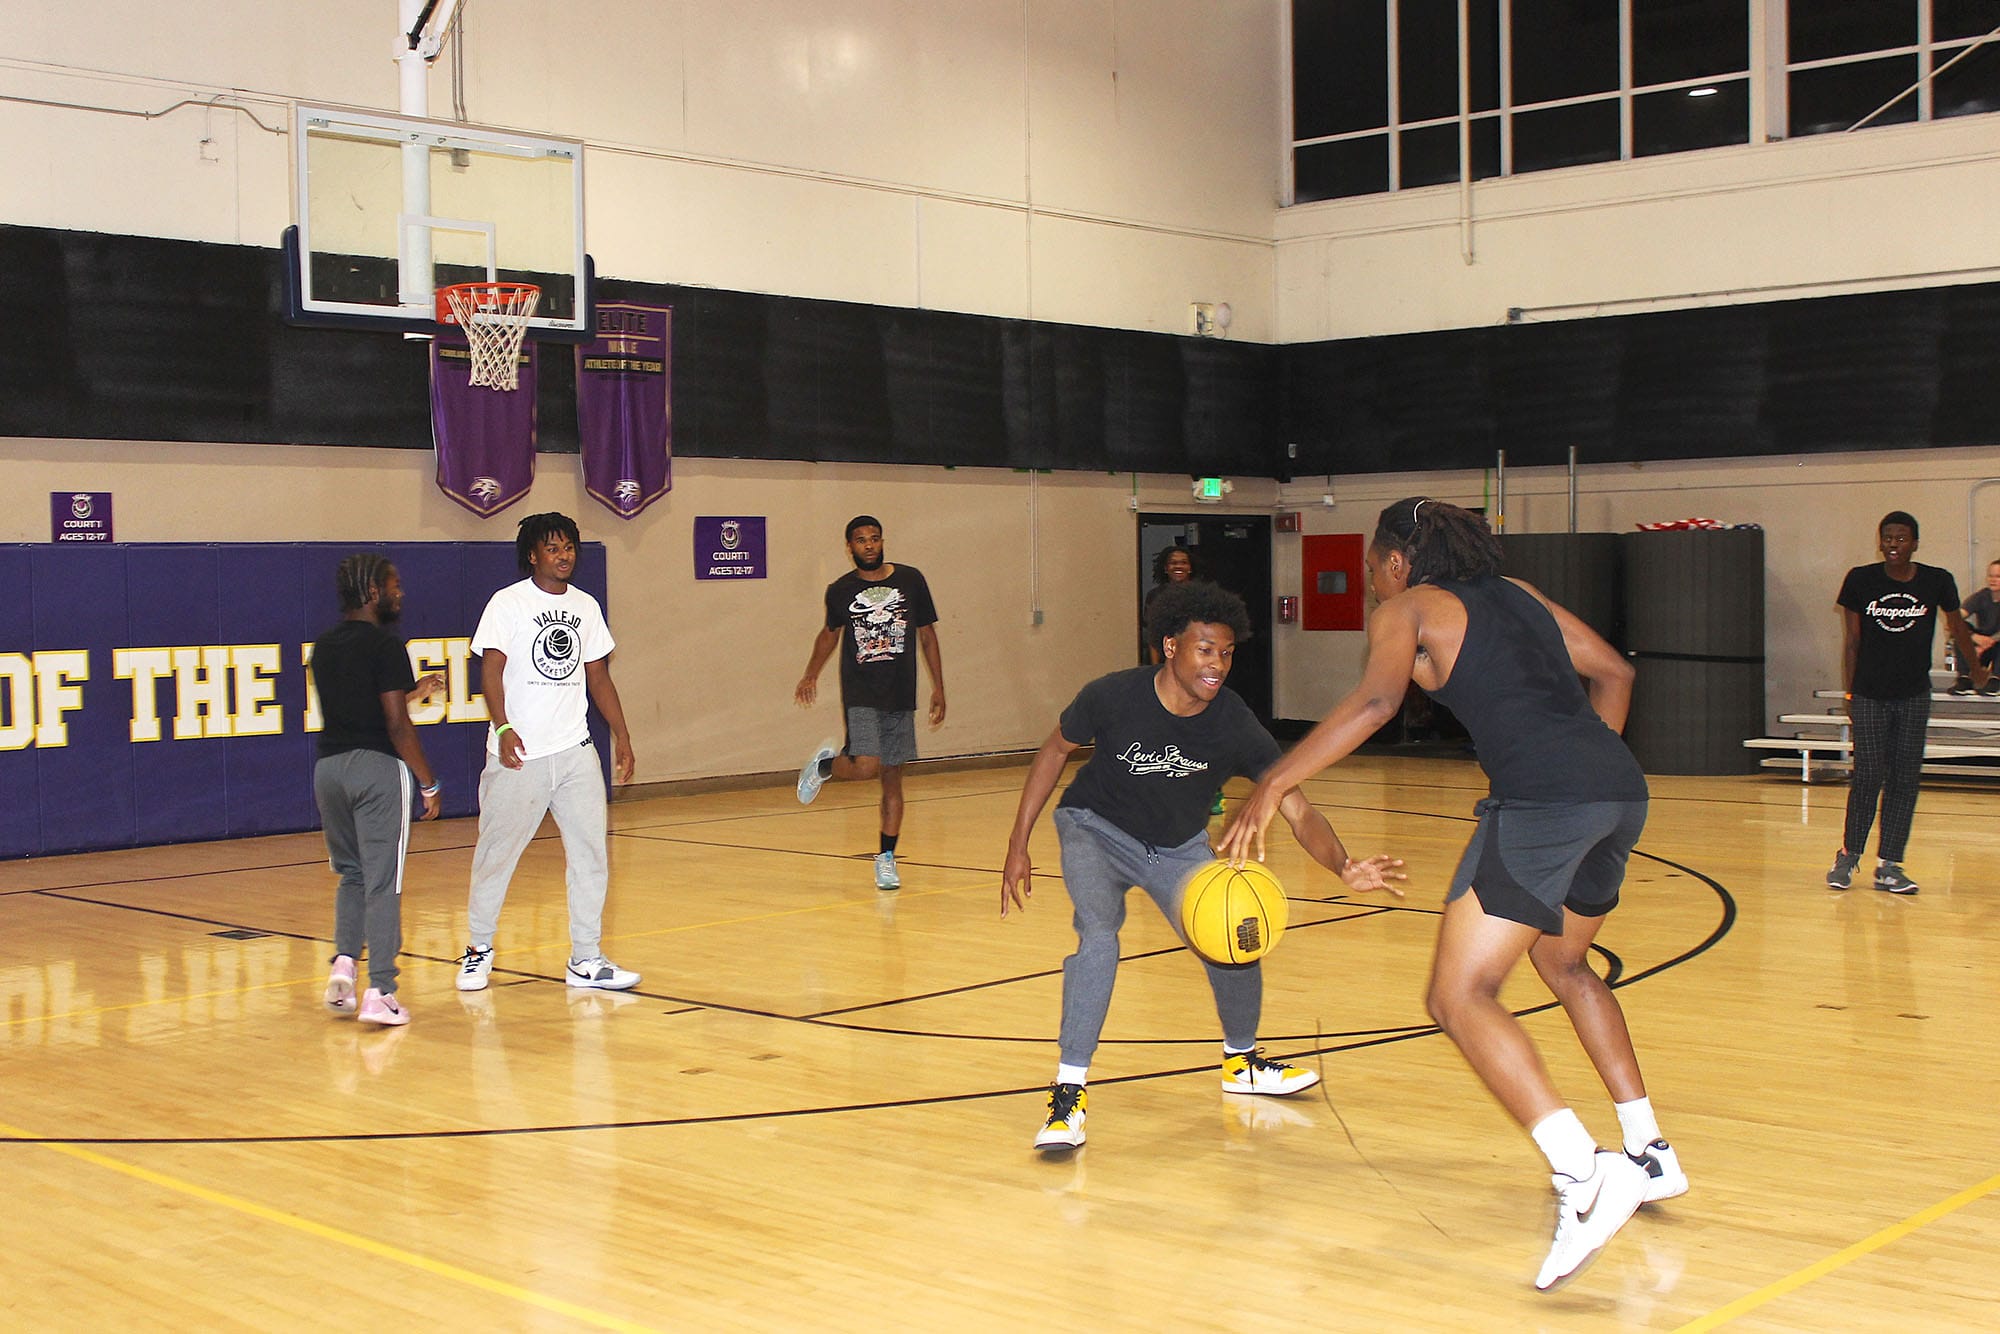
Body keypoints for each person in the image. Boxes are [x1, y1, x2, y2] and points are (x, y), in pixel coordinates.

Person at [1217, 497, 1684, 1293]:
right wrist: (1587, 766)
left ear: (1398, 560)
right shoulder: (1523, 594)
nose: (1369, 582)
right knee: (1566, 965)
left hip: (1542, 801)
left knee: (1459, 994)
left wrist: (1275, 781)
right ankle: (1650, 1151)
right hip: (1618, 791)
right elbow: (1616, 671)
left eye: (1371, 566)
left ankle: (1587, 1175)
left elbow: (1374, 704)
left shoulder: (1410, 608)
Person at [1001, 579, 1403, 1152]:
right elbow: (1054, 751)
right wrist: (1019, 841)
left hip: (1176, 845)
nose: (1218, 664)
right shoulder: (1113, 695)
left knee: (1237, 931)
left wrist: (1343, 865)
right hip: (1094, 829)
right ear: (1170, 647)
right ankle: (1068, 1094)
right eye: (1205, 650)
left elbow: (1295, 806)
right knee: (1098, 937)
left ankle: (1242, 1065)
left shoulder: (1232, 720)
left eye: (1227, 652)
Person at [455, 513, 641, 993]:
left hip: (575, 751)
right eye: (554, 548)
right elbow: (490, 671)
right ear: (534, 555)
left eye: (570, 548)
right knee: (498, 853)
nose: (564, 556)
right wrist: (503, 726)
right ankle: (478, 949)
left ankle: (586, 958)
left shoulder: (585, 607)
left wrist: (621, 733)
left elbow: (598, 677)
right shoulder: (508, 603)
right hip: (520, 753)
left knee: (590, 855)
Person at [310, 554, 444, 1027]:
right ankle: (381, 990)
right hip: (376, 771)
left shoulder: (323, 647)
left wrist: (415, 690)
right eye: (394, 585)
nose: (400, 593)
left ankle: (344, 965)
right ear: (372, 593)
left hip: (329, 770)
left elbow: (362, 706)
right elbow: (395, 725)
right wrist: (428, 781)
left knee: (352, 874)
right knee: (384, 883)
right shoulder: (386, 647)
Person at [1829, 511, 1988, 895]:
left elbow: (1957, 628)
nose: (1893, 545)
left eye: (1901, 538)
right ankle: (1849, 856)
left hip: (1913, 695)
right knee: (1867, 777)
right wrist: (1851, 692)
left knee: (1904, 779)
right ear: (1879, 542)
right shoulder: (1861, 579)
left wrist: (1976, 670)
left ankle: (1890, 865)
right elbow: (1852, 641)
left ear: (1915, 543)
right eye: (1887, 538)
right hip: (1869, 694)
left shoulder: (1937, 580)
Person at [794, 515, 945, 891]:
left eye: (874, 539)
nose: (869, 545)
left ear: (882, 541)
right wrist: (810, 673)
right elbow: (829, 636)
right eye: (861, 540)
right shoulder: (841, 590)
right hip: (861, 691)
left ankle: (887, 858)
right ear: (850, 548)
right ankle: (827, 765)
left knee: (892, 777)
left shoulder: (911, 580)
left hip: (900, 693)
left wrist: (938, 687)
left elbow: (927, 636)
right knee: (866, 766)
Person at [1948, 558, 2000, 695]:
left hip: (1995, 645)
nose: (1993, 580)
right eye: (1990, 576)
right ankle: (1965, 679)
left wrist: (1987, 643)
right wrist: (1974, 637)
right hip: (1980, 646)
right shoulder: (1981, 597)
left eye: (1998, 576)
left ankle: (1996, 679)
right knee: (1960, 627)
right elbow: (1955, 619)